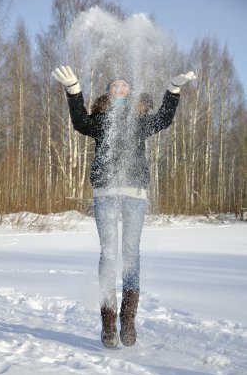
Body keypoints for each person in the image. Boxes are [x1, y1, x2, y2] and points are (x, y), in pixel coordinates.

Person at [52, 66, 196, 348]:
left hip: (134, 192)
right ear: (108, 92)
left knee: (130, 251)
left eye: (124, 85)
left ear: (130, 92)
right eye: (114, 85)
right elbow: (79, 122)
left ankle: (127, 320)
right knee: (108, 252)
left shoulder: (139, 120)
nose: (119, 88)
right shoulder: (100, 120)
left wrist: (173, 89)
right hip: (105, 189)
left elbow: (165, 119)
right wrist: (73, 90)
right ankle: (108, 323)